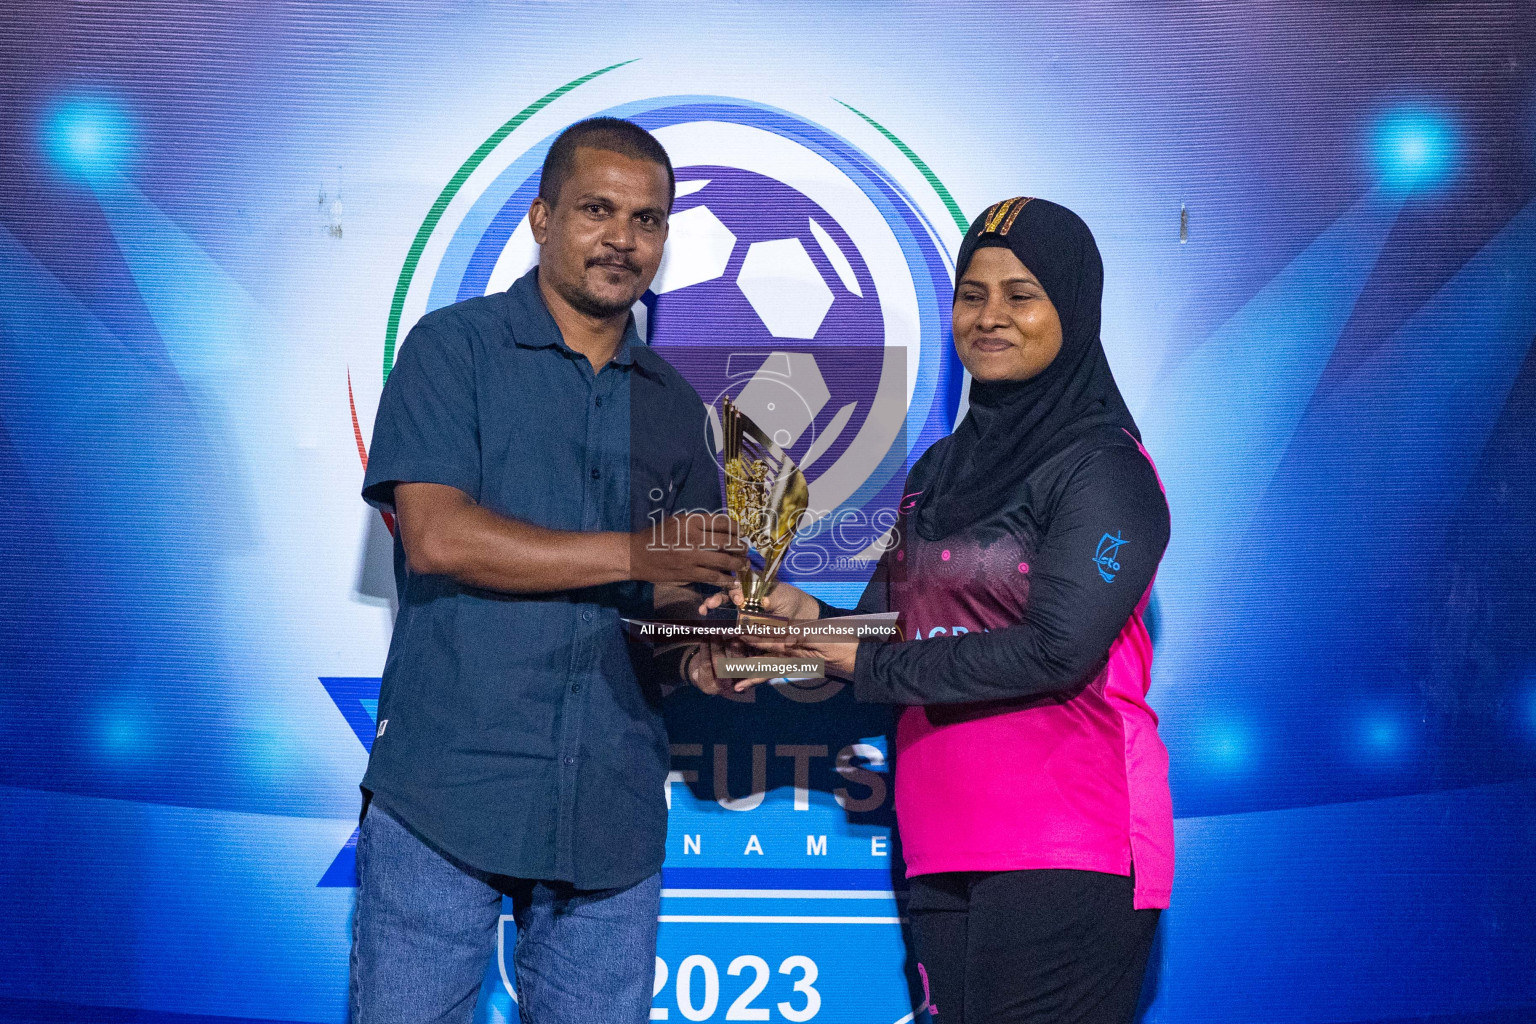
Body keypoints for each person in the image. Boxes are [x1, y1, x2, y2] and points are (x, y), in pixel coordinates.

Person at [698, 197, 1173, 1024]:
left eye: (1021, 295)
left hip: (1068, 848)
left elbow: (1055, 651)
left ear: (1074, 308)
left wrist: (848, 653)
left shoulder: (1106, 469)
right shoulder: (941, 467)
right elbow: (889, 629)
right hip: (940, 840)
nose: (990, 318)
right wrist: (789, 623)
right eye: (972, 294)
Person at [353, 117, 748, 1024]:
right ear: (540, 217)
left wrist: (707, 657)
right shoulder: (453, 350)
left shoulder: (676, 406)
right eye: (597, 210)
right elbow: (438, 537)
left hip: (611, 805)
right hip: (448, 791)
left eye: (647, 220)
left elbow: (674, 606)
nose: (622, 238)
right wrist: (639, 554)